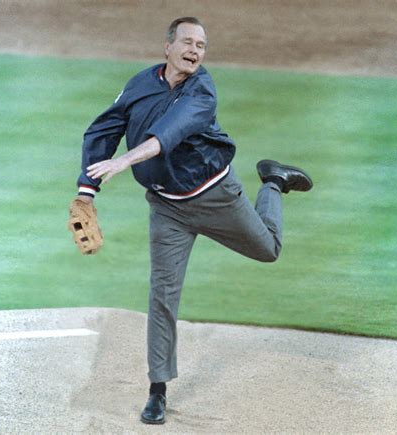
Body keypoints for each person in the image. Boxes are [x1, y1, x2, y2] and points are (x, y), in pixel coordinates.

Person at [73, 16, 312, 425]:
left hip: (216, 197)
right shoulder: (139, 85)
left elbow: (169, 132)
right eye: (187, 42)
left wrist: (126, 160)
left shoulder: (202, 89)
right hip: (167, 208)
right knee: (162, 294)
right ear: (167, 47)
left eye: (201, 45)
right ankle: (157, 390)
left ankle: (272, 181)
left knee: (269, 249)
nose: (195, 51)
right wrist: (85, 191)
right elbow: (103, 130)